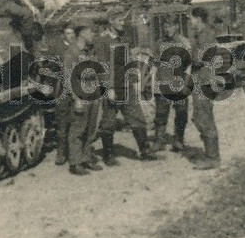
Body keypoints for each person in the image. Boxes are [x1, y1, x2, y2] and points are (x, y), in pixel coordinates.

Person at [96, 11, 161, 164]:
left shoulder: (124, 38)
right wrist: (109, 88)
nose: (123, 23)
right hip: (113, 87)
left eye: (123, 20)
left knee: (137, 117)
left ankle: (145, 151)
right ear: (111, 21)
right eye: (120, 20)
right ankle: (108, 155)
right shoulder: (102, 40)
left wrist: (133, 78)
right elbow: (102, 66)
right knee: (108, 122)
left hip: (126, 85)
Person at [60, 23, 103, 175]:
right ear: (82, 34)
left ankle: (86, 158)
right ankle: (75, 163)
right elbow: (68, 77)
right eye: (91, 32)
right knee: (78, 128)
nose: (93, 35)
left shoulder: (89, 50)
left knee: (90, 128)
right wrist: (76, 98)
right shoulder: (72, 52)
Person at [188, 6, 221, 170]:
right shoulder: (200, 35)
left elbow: (199, 59)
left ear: (198, 19)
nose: (190, 21)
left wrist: (187, 50)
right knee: (199, 117)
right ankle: (210, 152)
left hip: (205, 81)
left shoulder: (206, 35)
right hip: (200, 80)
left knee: (203, 117)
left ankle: (212, 157)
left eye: (191, 18)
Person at [150, 17, 189, 153]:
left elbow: (189, 65)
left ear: (176, 26)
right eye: (165, 27)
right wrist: (153, 83)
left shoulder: (184, 42)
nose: (167, 29)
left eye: (170, 26)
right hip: (163, 83)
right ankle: (159, 141)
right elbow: (154, 64)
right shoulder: (159, 43)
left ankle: (178, 140)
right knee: (160, 114)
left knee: (181, 113)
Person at [51, 22, 76, 166]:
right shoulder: (57, 49)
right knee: (62, 122)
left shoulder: (78, 48)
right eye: (68, 33)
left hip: (77, 89)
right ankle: (61, 153)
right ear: (63, 35)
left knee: (76, 121)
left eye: (73, 33)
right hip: (62, 89)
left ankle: (74, 152)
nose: (71, 36)